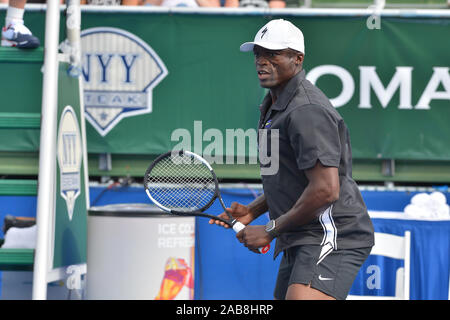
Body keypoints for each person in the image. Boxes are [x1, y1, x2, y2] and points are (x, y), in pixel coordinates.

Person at [209, 19, 374, 300]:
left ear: (297, 59)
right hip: (301, 231)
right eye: (258, 54)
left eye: (272, 54)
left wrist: (271, 229)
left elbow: (325, 189)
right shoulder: (273, 105)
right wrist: (253, 210)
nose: (262, 62)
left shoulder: (306, 110)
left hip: (332, 232)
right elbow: (293, 178)